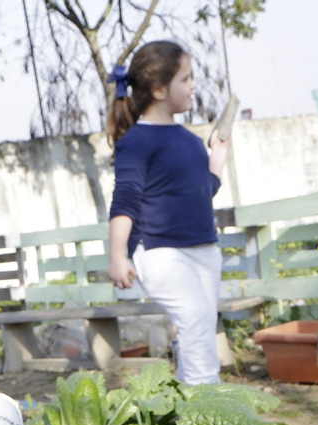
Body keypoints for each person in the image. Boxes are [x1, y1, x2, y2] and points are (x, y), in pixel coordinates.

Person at [106, 41, 231, 385]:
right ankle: (207, 408)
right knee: (194, 321)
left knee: (202, 325)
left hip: (204, 248)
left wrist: (217, 159)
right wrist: (118, 255)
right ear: (159, 89)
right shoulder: (136, 142)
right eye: (185, 78)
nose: (193, 85)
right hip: (160, 251)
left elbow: (204, 191)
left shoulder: (189, 140)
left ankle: (198, 403)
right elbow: (125, 200)